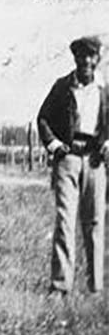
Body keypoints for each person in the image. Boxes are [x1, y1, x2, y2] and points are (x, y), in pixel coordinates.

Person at [37, 36, 108, 296]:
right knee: (65, 221)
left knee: (95, 222)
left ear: (97, 59)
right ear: (75, 59)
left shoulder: (104, 90)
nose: (86, 62)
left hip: (95, 162)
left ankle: (95, 287)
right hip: (68, 159)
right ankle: (60, 286)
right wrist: (54, 144)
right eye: (81, 57)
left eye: (91, 57)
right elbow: (43, 118)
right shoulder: (63, 87)